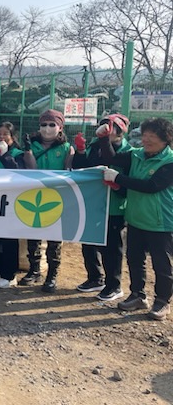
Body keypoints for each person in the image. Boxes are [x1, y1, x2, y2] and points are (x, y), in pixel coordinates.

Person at [99, 117, 173, 321]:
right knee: (134, 260)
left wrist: (118, 178)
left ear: (165, 138)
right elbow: (112, 158)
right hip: (135, 219)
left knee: (162, 265)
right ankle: (137, 295)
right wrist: (104, 139)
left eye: (152, 136)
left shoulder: (169, 162)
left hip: (160, 223)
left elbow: (151, 186)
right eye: (145, 135)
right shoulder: (136, 154)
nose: (146, 139)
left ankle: (162, 301)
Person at [72, 114, 132, 301]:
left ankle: (114, 285)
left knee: (112, 248)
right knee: (89, 243)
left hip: (114, 206)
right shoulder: (95, 147)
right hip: (92, 203)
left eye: (110, 127)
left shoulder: (129, 152)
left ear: (120, 131)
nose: (105, 130)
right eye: (103, 126)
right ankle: (95, 278)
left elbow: (126, 178)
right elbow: (82, 170)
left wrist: (118, 186)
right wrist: (81, 151)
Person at [20, 109, 74, 293]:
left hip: (56, 199)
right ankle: (34, 270)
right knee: (33, 236)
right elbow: (31, 169)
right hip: (34, 197)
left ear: (60, 128)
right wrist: (27, 150)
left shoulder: (66, 148)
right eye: (43, 124)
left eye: (52, 125)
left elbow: (69, 172)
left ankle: (52, 275)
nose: (47, 128)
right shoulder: (32, 145)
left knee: (54, 239)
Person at [0, 122, 29, 289]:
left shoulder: (18, 154)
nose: (1, 137)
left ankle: (10, 275)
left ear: (12, 138)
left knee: (9, 240)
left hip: (10, 203)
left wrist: (5, 155)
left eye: (6, 134)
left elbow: (19, 173)